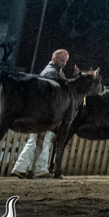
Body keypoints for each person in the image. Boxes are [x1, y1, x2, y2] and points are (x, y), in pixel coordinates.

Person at [13, 49, 71, 178]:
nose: (64, 64)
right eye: (62, 60)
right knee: (40, 141)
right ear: (53, 59)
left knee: (37, 141)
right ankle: (36, 169)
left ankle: (22, 167)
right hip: (45, 114)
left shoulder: (55, 72)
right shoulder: (51, 73)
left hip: (44, 113)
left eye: (66, 61)